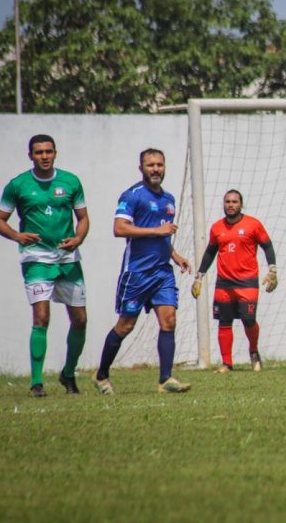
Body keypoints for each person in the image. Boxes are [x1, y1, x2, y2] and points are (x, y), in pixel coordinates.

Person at [0, 134, 90, 397]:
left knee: (80, 320)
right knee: (41, 317)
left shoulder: (70, 182)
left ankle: (68, 374)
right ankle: (36, 382)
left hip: (68, 259)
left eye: (48, 151)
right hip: (35, 259)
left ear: (55, 153)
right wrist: (17, 236)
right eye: (38, 152)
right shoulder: (18, 185)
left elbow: (82, 218)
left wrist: (79, 238)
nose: (44, 156)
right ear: (30, 155)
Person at [94, 148, 193, 395]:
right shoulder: (132, 196)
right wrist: (156, 232)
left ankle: (165, 380)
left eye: (160, 164)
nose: (156, 169)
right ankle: (101, 376)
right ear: (141, 168)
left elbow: (161, 233)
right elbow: (119, 228)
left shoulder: (168, 198)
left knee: (169, 320)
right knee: (126, 325)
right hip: (136, 273)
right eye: (150, 165)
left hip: (162, 272)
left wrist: (175, 255)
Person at [191, 189, 278, 373]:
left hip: (247, 282)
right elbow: (210, 253)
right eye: (227, 202)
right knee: (224, 321)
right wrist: (199, 276)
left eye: (234, 202)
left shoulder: (253, 225)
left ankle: (254, 353)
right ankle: (226, 364)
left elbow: (267, 245)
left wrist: (272, 269)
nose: (230, 205)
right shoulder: (216, 228)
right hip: (224, 283)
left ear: (241, 204)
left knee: (248, 319)